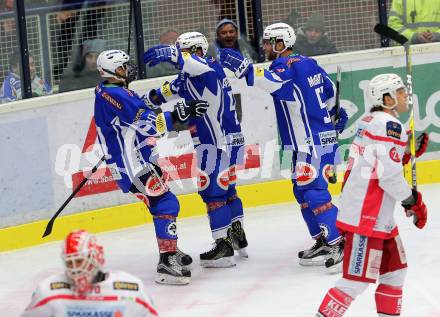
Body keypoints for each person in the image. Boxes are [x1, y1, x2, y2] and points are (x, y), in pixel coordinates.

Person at [219, 23, 348, 272]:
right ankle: (323, 239)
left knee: (312, 192)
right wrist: (336, 113)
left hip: (309, 142)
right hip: (311, 141)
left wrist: (245, 69)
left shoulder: (284, 66)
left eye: (268, 42)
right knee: (302, 192)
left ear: (280, 44)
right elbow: (330, 93)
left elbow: (268, 83)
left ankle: (339, 241)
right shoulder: (310, 63)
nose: (265, 47)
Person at [316, 73, 429, 317]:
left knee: (395, 273)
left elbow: (379, 161)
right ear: (387, 98)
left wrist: (405, 151)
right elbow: (388, 176)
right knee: (355, 282)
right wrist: (412, 200)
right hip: (366, 217)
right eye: (399, 92)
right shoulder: (389, 125)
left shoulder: (370, 120)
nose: (404, 95)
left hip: (377, 217)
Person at [94, 49, 209, 284]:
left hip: (135, 160)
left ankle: (170, 249)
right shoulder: (116, 94)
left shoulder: (110, 90)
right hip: (132, 164)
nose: (127, 69)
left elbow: (135, 115)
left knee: (161, 204)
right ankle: (167, 261)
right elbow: (148, 124)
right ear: (111, 71)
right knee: (165, 202)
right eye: (122, 67)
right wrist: (181, 113)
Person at [143, 31, 249, 268]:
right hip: (230, 142)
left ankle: (223, 247)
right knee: (228, 190)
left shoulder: (206, 69)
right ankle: (237, 235)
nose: (184, 57)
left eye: (187, 51)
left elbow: (191, 64)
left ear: (199, 51)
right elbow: (162, 94)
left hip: (214, 145)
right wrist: (142, 102)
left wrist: (172, 53)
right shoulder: (191, 77)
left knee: (213, 195)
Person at [21, 229, 159, 316]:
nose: (75, 268)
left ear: (96, 258)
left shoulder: (130, 291)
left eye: (80, 261)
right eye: (70, 263)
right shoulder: (49, 291)